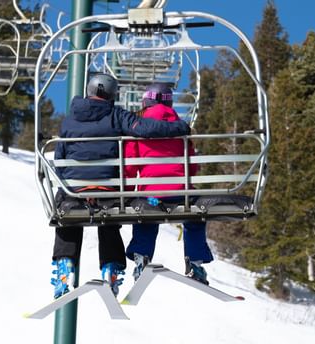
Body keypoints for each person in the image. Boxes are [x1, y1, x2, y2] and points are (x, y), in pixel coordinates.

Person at [51, 74, 191, 299]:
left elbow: (60, 158)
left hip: (74, 190)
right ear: (111, 94)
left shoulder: (69, 120)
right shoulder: (115, 115)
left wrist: (73, 186)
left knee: (67, 218)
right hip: (108, 188)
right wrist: (179, 128)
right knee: (108, 220)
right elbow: (145, 128)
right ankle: (111, 268)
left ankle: (65, 266)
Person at [124, 83, 213, 285]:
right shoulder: (182, 128)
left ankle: (141, 257)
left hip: (152, 198)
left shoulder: (137, 128)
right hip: (180, 196)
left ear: (146, 102)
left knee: (145, 216)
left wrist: (127, 194)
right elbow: (192, 167)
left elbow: (129, 166)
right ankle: (195, 263)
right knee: (194, 218)